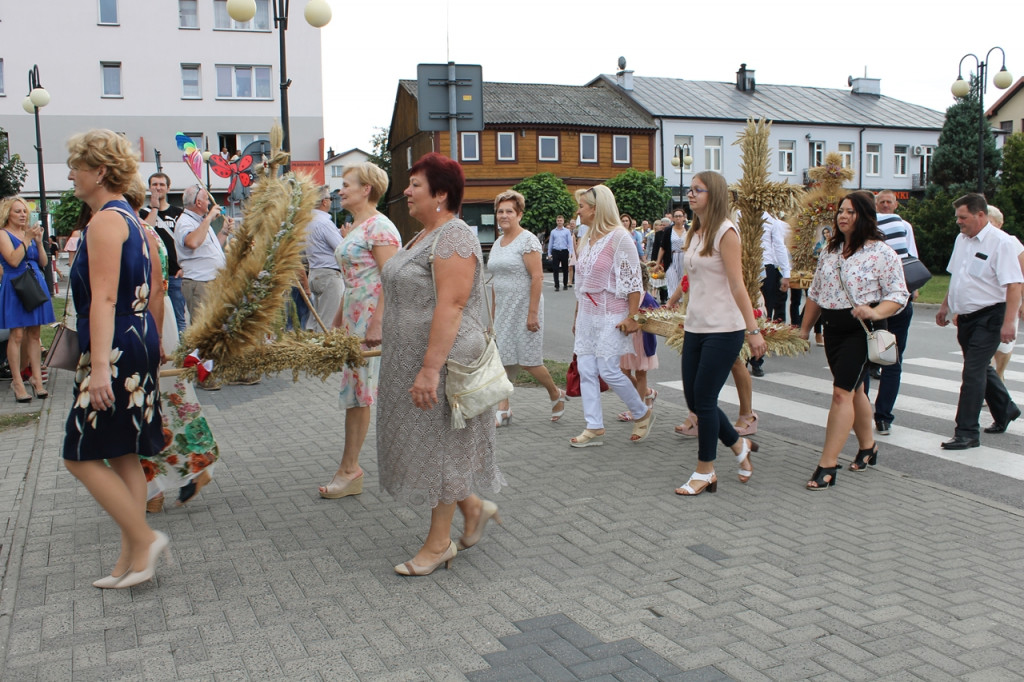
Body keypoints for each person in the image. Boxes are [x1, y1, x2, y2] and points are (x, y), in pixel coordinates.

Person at [377, 152, 505, 575]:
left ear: (442, 193)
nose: (407, 192)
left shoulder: (454, 237)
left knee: (443, 451)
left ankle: (438, 545)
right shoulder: (420, 237)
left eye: (416, 185)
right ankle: (473, 508)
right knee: (433, 448)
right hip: (410, 359)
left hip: (443, 363)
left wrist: (430, 369)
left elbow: (451, 305)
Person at [62, 129, 169, 588]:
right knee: (123, 451)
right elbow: (155, 289)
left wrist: (101, 367)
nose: (70, 174)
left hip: (116, 348)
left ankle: (144, 538)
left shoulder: (106, 221)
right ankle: (132, 560)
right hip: (137, 337)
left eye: (77, 166)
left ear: (99, 171)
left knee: (80, 454)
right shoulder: (136, 222)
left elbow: (103, 299)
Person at [798, 192, 908, 489]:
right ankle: (868, 447)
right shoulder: (830, 251)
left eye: (850, 211)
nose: (842, 216)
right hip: (833, 327)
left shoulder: (881, 252)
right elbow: (816, 295)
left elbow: (899, 295)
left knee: (840, 393)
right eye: (840, 211)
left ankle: (827, 465)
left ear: (865, 215)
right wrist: (804, 329)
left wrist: (874, 312)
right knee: (855, 389)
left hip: (861, 329)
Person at [671, 172, 766, 496]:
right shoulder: (696, 232)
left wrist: (753, 331)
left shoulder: (727, 232)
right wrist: (673, 304)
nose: (690, 195)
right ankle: (739, 446)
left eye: (698, 190)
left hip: (725, 328)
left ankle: (705, 471)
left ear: (714, 194)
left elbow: (738, 285)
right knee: (695, 400)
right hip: (695, 325)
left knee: (706, 401)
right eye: (690, 189)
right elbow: (691, 279)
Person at [318, 163, 400, 499]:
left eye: (347, 184)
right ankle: (349, 469)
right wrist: (337, 322)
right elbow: (352, 282)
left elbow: (392, 279)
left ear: (367, 189)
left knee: (360, 395)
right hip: (354, 318)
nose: (340, 190)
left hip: (370, 322)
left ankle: (350, 469)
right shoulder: (358, 227)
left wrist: (378, 322)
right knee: (354, 394)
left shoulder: (381, 227)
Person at [935, 193, 1022, 448]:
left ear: (980, 215)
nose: (958, 222)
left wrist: (1009, 323)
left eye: (963, 217)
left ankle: (967, 432)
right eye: (957, 218)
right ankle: (1006, 409)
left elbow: (1014, 284)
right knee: (980, 367)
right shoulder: (962, 240)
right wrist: (945, 307)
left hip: (991, 316)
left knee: (972, 372)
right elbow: (957, 277)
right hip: (967, 318)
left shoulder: (1002, 243)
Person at [569, 185, 653, 448]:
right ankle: (594, 426)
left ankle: (642, 412)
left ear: (596, 209)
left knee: (608, 368)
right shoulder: (587, 238)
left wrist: (632, 316)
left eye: (582, 206)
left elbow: (633, 282)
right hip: (587, 313)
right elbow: (581, 283)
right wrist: (576, 315)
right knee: (586, 369)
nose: (578, 211)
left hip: (611, 311)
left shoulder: (620, 238)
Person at [487, 189, 568, 427]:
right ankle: (504, 409)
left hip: (525, 307)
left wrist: (532, 314)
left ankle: (555, 393)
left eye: (509, 211)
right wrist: (492, 314)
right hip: (503, 308)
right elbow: (495, 280)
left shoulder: (528, 240)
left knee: (528, 360)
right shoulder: (497, 243)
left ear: (519, 214)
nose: (503, 215)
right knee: (503, 359)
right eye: (500, 211)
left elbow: (537, 278)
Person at [864, 190, 920, 436]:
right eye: (881, 202)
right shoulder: (901, 223)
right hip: (898, 300)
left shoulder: (863, 227)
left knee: (868, 358)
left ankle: (864, 412)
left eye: (888, 202)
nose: (885, 206)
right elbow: (911, 257)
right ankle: (883, 416)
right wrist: (911, 288)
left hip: (875, 303)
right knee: (892, 360)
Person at [174, 184, 235, 389]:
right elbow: (192, 242)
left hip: (212, 282)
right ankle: (204, 376)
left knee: (218, 329)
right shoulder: (185, 222)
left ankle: (217, 370)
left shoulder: (200, 222)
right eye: (206, 200)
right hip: (199, 283)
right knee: (204, 331)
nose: (209, 203)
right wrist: (209, 218)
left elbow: (211, 248)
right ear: (199, 203)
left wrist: (224, 231)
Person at [0, 196, 56, 403]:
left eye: (24, 211)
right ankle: (17, 381)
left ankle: (36, 380)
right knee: (16, 335)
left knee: (34, 334)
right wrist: (26, 240)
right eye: (18, 211)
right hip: (16, 285)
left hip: (34, 283)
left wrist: (39, 243)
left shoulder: (29, 234)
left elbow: (42, 261)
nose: (23, 215)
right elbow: (13, 260)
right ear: (8, 213)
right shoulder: (3, 234)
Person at [139, 173, 186, 335]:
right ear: (149, 187)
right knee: (154, 317)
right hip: (153, 275)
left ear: (168, 188)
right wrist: (154, 208)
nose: (158, 188)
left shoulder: (179, 213)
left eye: (161, 184)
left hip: (174, 275)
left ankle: (182, 354)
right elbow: (147, 231)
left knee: (179, 317)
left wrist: (184, 266)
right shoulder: (143, 213)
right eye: (154, 184)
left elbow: (186, 241)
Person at [748, 211, 791, 378]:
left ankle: (757, 359)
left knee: (764, 313)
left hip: (766, 267)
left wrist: (786, 273)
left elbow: (779, 245)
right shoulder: (737, 214)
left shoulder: (771, 220)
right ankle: (741, 355)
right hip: (744, 264)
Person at [616, 264, 659, 422]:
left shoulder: (646, 297)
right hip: (626, 339)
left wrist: (642, 320)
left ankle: (638, 409)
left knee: (640, 373)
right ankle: (648, 393)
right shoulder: (623, 295)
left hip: (641, 341)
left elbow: (656, 314)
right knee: (624, 372)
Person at [987, 205, 1024, 386]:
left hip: (1006, 301)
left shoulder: (1011, 242)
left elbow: (1021, 275)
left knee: (1003, 346)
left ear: (1000, 224)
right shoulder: (973, 241)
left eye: (991, 222)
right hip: (983, 304)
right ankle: (990, 383)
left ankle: (998, 375)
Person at [305, 185, 345, 329]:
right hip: (329, 275)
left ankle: (315, 349)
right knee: (328, 323)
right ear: (324, 202)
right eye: (330, 198)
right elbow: (342, 248)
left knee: (317, 322)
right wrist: (346, 236)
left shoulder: (307, 222)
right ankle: (326, 351)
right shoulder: (324, 223)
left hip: (314, 272)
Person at [547, 215, 574, 291]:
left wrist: (570, 252)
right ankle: (557, 285)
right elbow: (550, 243)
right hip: (556, 251)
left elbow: (569, 242)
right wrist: (549, 253)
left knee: (565, 269)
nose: (559, 222)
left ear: (563, 221)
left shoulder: (567, 231)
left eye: (561, 221)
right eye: (558, 220)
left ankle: (565, 284)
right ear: (556, 221)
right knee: (555, 269)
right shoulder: (553, 232)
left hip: (564, 251)